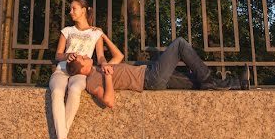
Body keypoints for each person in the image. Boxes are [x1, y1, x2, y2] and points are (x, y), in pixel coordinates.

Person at [66, 37, 248, 109]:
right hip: (149, 79)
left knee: (194, 81)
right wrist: (107, 76)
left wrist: (102, 36)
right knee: (179, 45)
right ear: (82, 69)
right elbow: (108, 102)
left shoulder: (99, 66)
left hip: (150, 73)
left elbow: (119, 56)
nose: (84, 54)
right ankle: (208, 79)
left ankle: (237, 84)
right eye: (82, 58)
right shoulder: (91, 81)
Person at [48, 0, 108, 139]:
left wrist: (105, 65)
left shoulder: (96, 33)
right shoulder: (66, 30)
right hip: (62, 69)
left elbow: (101, 56)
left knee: (75, 90)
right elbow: (58, 54)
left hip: (81, 72)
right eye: (70, 9)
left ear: (84, 10)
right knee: (58, 92)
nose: (71, 12)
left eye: (74, 8)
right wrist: (67, 55)